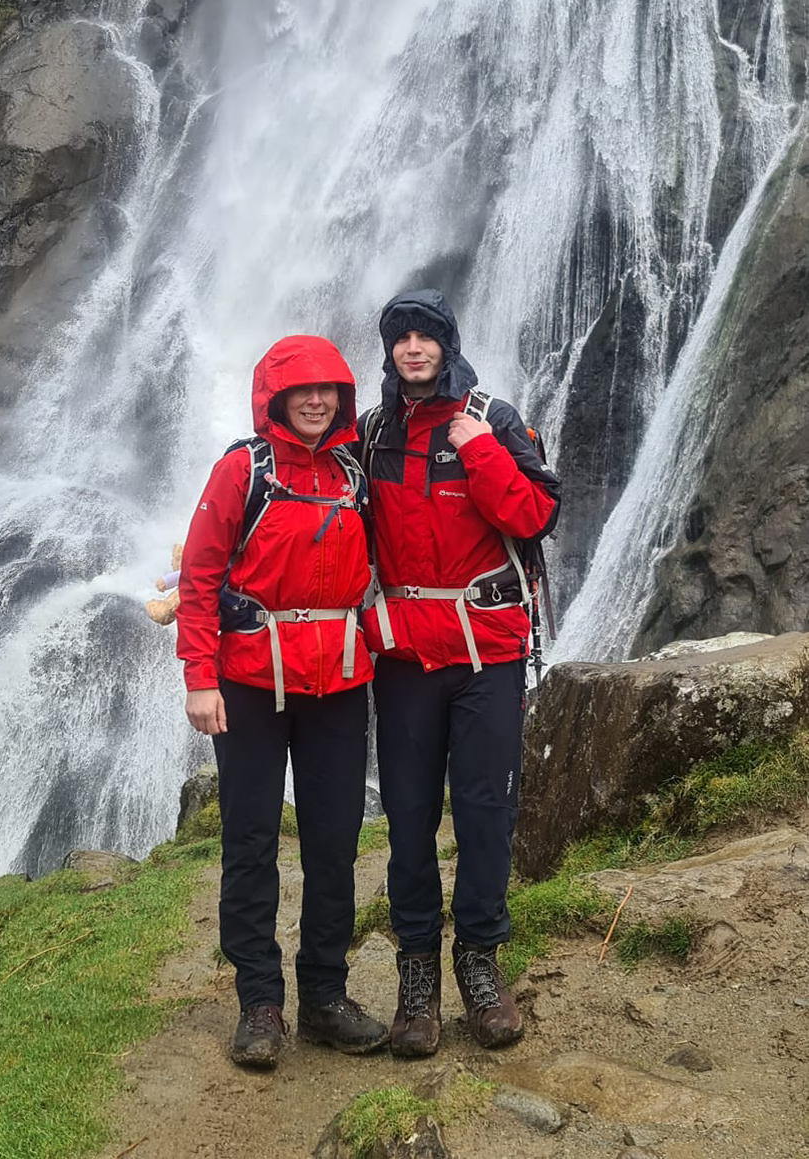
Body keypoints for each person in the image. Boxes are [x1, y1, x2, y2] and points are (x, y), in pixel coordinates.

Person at [176, 335, 388, 1069]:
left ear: (343, 398)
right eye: (301, 389)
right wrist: (198, 677)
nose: (316, 400)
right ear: (273, 396)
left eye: (328, 388)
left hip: (336, 680)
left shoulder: (352, 472)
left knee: (334, 840)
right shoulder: (244, 468)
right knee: (251, 840)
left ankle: (325, 995)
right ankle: (259, 1001)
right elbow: (200, 576)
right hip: (249, 683)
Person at [358, 290, 560, 1056]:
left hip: (487, 654)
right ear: (389, 350)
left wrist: (479, 448)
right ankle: (417, 982)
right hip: (407, 654)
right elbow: (328, 524)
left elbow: (535, 513)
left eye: (426, 336)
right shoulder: (373, 432)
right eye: (401, 337)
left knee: (483, 814)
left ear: (447, 343)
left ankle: (479, 961)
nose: (413, 347)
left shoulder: (494, 418)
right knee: (408, 818)